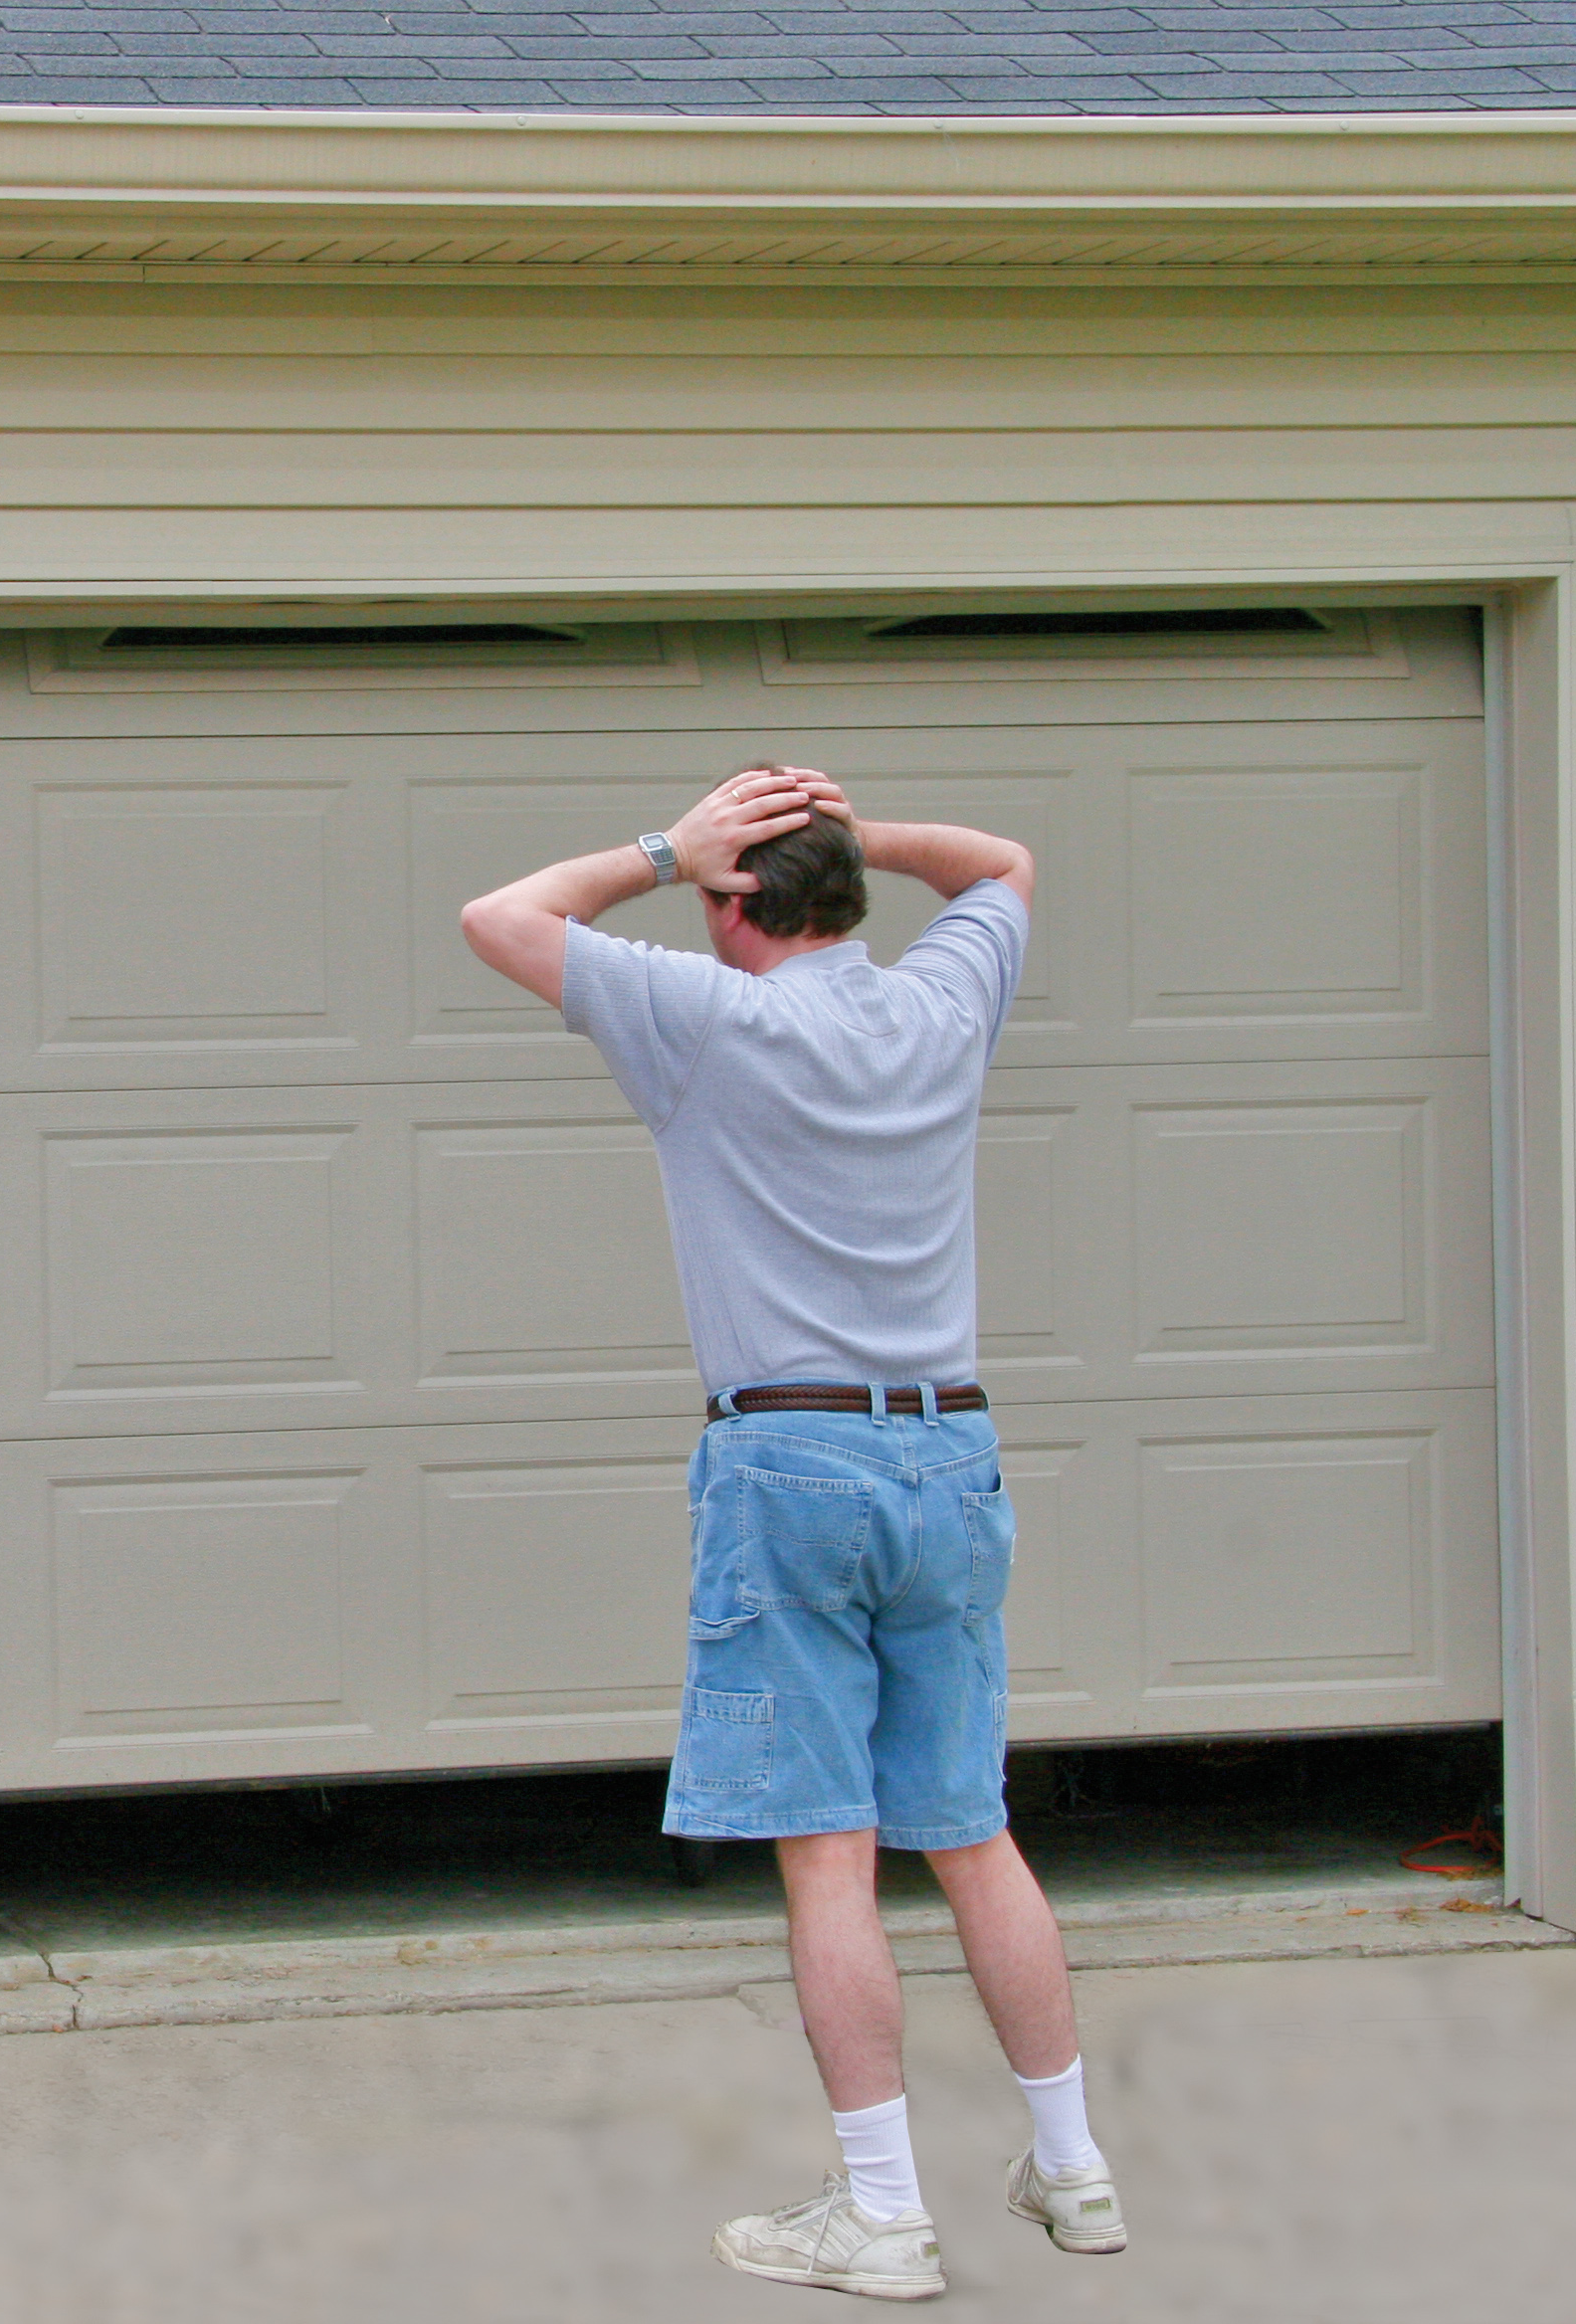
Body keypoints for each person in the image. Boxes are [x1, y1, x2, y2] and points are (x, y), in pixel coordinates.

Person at [458, 765, 1125, 2303]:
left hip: (790, 1461)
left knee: (831, 1853)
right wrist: (849, 833)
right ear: (847, 895)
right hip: (947, 1451)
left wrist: (662, 846)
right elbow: (1005, 860)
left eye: (713, 889)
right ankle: (1075, 2170)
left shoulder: (709, 1021)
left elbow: (502, 917)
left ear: (731, 905)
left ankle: (883, 2218)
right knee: (969, 1828)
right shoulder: (941, 1002)